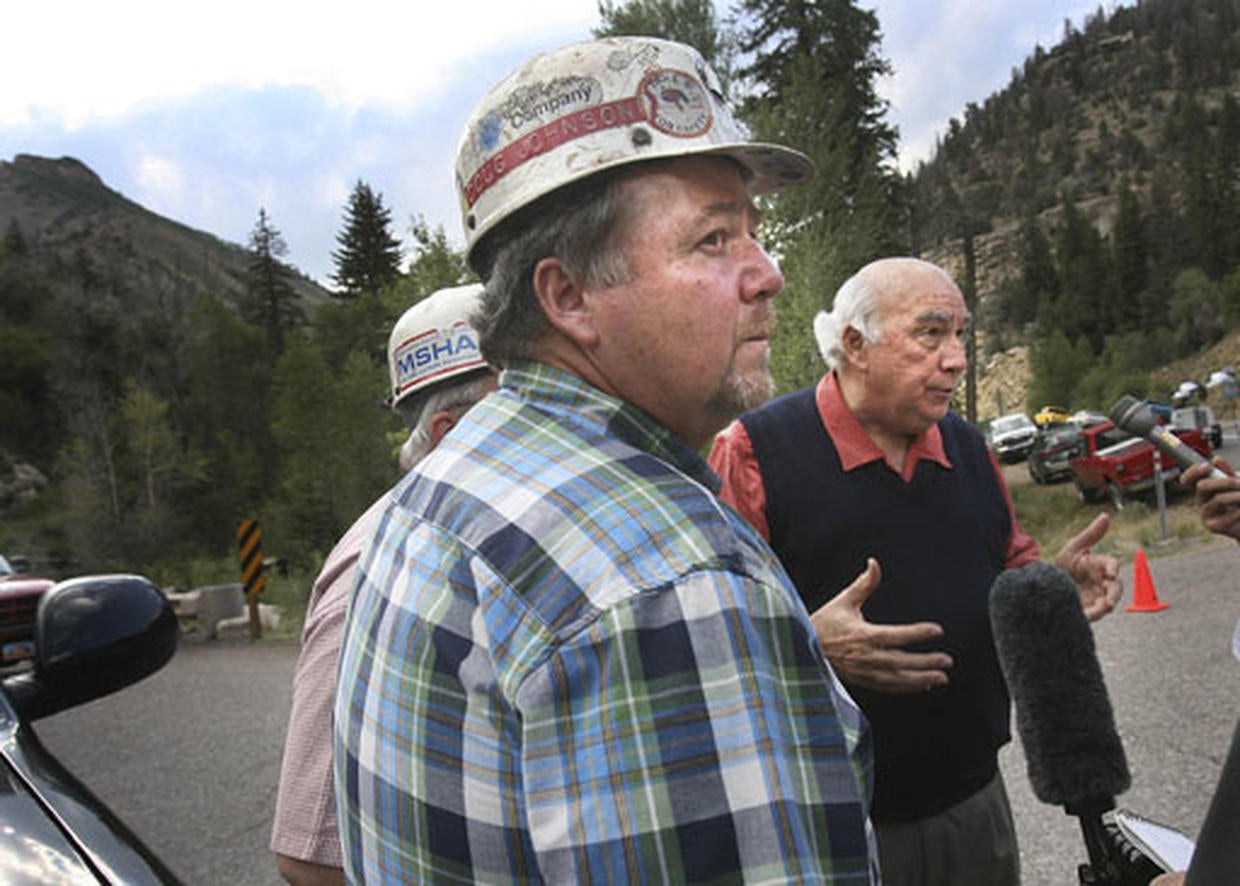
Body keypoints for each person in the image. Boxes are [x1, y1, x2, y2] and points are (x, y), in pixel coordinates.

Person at [334, 36, 880, 884]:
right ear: (568, 296)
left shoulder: (445, 483)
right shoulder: (670, 583)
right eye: (711, 240)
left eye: (755, 233)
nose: (768, 273)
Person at [709, 256, 1122, 885]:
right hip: (836, 824)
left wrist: (1049, 591)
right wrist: (809, 644)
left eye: (960, 334)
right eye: (931, 334)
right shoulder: (753, 453)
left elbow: (1009, 562)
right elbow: (711, 639)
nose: (956, 358)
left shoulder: (967, 448)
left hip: (975, 803)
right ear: (855, 344)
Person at [270, 283, 495, 886]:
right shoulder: (373, 570)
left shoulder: (488, 540)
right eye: (524, 407)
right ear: (451, 436)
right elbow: (308, 856)